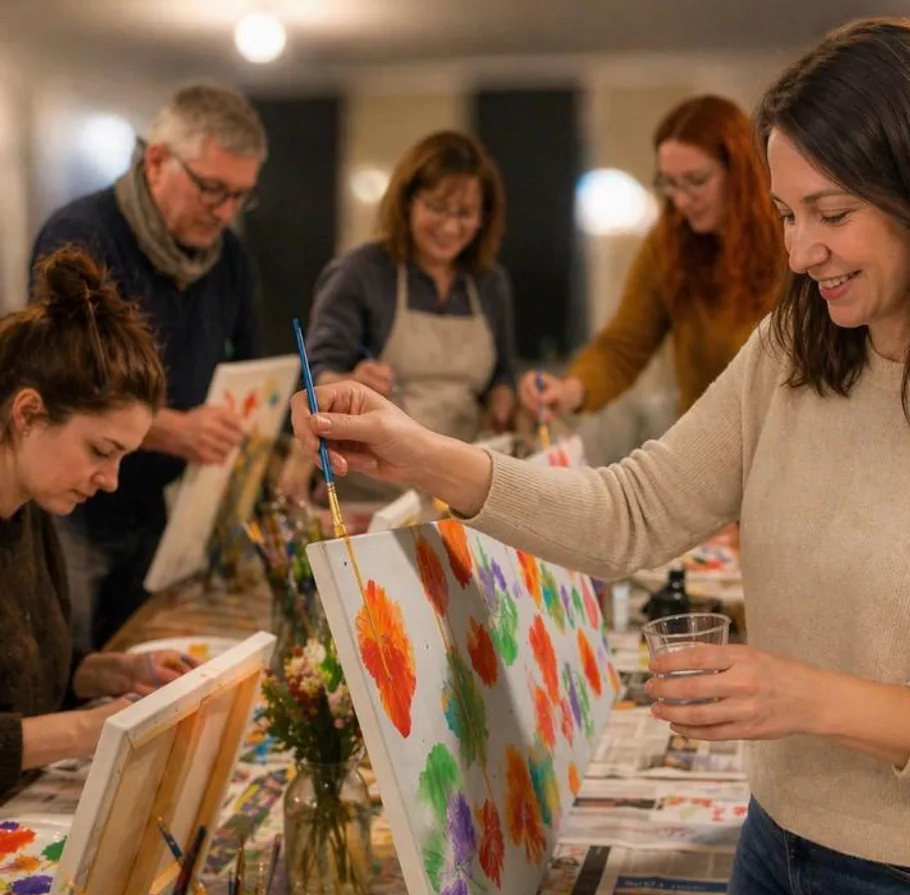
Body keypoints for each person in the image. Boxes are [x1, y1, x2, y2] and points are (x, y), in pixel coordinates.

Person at [293, 18, 910, 895]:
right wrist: (426, 455)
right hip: (774, 850)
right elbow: (630, 510)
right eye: (782, 213)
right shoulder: (794, 346)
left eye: (831, 214)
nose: (799, 249)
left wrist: (807, 696)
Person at [30, 84, 268, 649]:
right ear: (156, 159)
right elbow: (65, 384)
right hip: (73, 504)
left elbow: (254, 364)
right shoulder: (81, 236)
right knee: (67, 665)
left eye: (241, 196)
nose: (226, 211)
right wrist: (174, 430)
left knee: (138, 655)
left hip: (163, 507)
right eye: (213, 189)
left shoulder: (230, 258)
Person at [0, 246, 197, 798]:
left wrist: (106, 673)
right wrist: (89, 729)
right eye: (99, 450)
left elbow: (22, 680)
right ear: (28, 413)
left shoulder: (32, 507)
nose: (109, 480)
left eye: (122, 459)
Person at [518, 94, 783, 425]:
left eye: (697, 181)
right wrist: (568, 390)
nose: (682, 200)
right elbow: (623, 347)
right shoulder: (670, 241)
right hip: (704, 444)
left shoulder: (790, 238)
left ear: (740, 172)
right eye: (670, 184)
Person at [306, 130, 516, 447]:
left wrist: (506, 404)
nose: (449, 226)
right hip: (374, 479)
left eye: (465, 214)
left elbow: (502, 376)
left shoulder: (489, 282)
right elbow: (316, 376)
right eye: (436, 207)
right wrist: (351, 382)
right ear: (406, 202)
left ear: (484, 217)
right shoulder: (359, 273)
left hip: (462, 474)